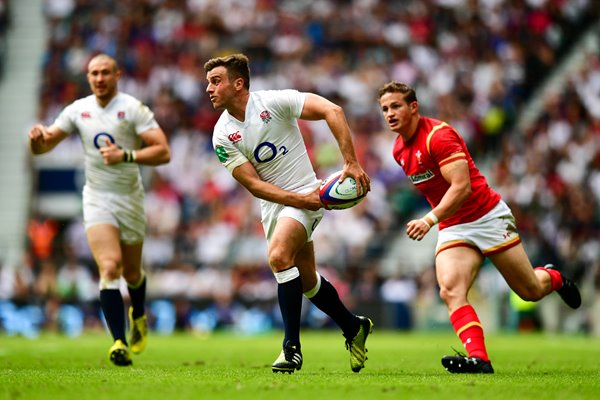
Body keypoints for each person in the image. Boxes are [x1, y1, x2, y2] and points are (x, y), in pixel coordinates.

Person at [377, 81, 581, 374]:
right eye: (384, 108)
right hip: (453, 227)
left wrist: (428, 219)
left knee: (530, 291)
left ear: (413, 107)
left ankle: (554, 277)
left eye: (395, 105)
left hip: (486, 217)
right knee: (450, 290)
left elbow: (461, 187)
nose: (389, 113)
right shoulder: (399, 150)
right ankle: (479, 360)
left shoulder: (439, 136)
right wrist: (439, 220)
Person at [204, 53, 373, 374]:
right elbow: (254, 186)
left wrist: (350, 161)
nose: (209, 89)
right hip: (279, 204)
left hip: (309, 193)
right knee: (307, 281)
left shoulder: (274, 102)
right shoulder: (222, 135)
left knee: (279, 256)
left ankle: (291, 349)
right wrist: (296, 200)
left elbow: (331, 110)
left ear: (238, 84)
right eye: (208, 83)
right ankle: (353, 327)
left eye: (216, 81)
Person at [28, 54, 171, 366]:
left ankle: (139, 313)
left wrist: (127, 156)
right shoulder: (78, 110)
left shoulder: (132, 108)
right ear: (88, 76)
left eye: (105, 72)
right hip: (97, 197)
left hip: (130, 197)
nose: (100, 78)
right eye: (94, 73)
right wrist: (37, 139)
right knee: (109, 267)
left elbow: (163, 151)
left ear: (117, 74)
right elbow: (44, 144)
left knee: (133, 272)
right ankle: (118, 341)